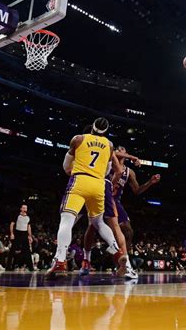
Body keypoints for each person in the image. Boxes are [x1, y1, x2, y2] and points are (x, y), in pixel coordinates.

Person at [45, 118, 126, 279]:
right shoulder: (109, 146)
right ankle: (117, 251)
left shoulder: (78, 139)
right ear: (105, 131)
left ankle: (60, 261)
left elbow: (66, 167)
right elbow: (106, 171)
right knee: (99, 222)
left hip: (80, 181)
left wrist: (75, 170)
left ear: (92, 128)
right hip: (98, 185)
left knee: (66, 221)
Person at [80, 146, 160, 279]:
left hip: (114, 201)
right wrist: (132, 156)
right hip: (99, 195)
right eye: (119, 149)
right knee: (92, 227)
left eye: (123, 149)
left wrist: (150, 183)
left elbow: (137, 191)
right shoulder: (107, 161)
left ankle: (122, 262)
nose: (120, 150)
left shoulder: (129, 172)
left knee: (128, 231)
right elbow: (112, 152)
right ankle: (86, 259)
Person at [7, 204, 34, 271]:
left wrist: (30, 236)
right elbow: (12, 224)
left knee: (27, 251)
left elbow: (29, 227)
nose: (25, 209)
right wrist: (12, 233)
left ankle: (31, 267)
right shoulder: (17, 215)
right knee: (12, 250)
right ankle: (8, 267)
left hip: (24, 234)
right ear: (21, 209)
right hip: (17, 233)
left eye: (26, 208)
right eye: (23, 208)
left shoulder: (28, 217)